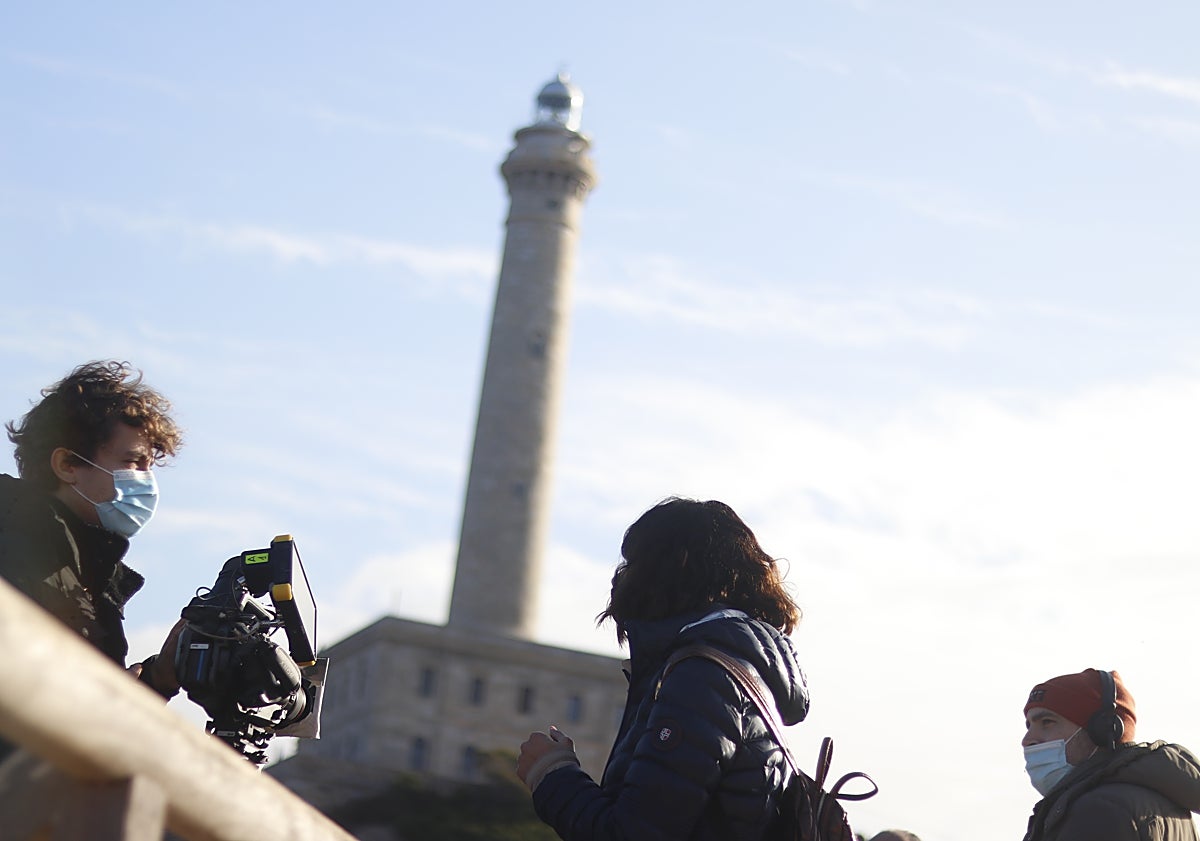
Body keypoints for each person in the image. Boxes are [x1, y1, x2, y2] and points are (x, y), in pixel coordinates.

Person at [516, 496, 808, 841]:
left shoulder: (702, 678)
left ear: (673, 565)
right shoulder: (733, 669)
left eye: (632, 562)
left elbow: (634, 833)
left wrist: (552, 772)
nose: (619, 578)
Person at [0, 361, 184, 705]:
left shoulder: (89, 576)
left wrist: (158, 680)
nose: (147, 480)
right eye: (133, 463)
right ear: (67, 465)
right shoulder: (15, 550)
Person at [1021, 667, 1200, 840]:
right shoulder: (1172, 807)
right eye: (1029, 726)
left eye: (1047, 722)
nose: (1027, 740)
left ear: (1103, 730)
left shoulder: (1096, 810)